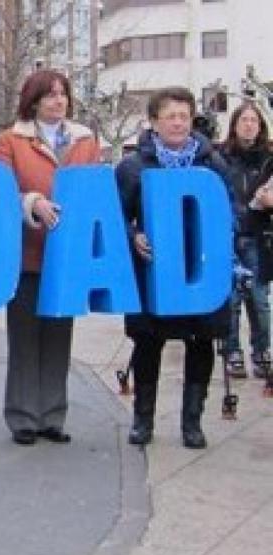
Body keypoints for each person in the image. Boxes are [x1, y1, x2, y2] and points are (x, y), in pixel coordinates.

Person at [118, 87, 233, 449]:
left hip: (201, 271)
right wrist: (132, 235)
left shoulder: (212, 162)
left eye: (184, 116)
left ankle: (192, 422)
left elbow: (232, 212)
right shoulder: (133, 166)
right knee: (148, 343)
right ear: (154, 122)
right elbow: (115, 216)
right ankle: (143, 420)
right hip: (154, 272)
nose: (179, 123)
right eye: (171, 116)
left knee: (201, 344)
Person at [0, 69, 100, 446]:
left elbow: (93, 189)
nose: (58, 101)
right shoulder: (11, 139)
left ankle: (52, 415)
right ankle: (23, 416)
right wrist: (31, 202)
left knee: (58, 335)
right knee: (24, 336)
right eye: (50, 95)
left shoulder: (85, 140)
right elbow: (1, 190)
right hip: (26, 252)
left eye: (63, 94)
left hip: (67, 255)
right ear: (34, 101)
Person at [221, 101, 273, 379]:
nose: (249, 124)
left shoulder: (268, 158)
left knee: (259, 299)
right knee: (231, 300)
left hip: (257, 234)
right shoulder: (222, 156)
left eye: (254, 120)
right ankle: (232, 352)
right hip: (228, 236)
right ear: (235, 124)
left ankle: (262, 350)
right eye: (244, 120)